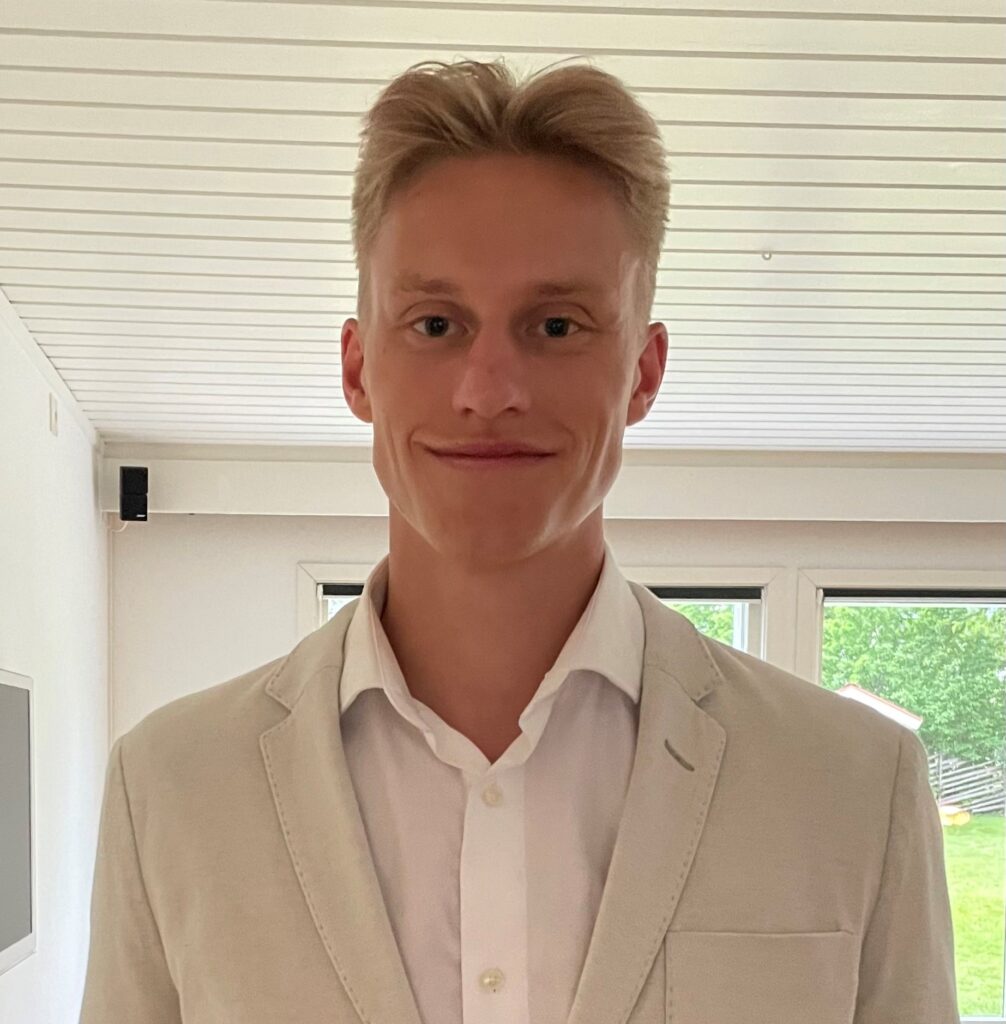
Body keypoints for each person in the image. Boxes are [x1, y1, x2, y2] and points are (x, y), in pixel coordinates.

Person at [79, 58, 959, 1024]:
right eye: (435, 323)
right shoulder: (170, 788)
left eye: (556, 324)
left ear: (643, 373)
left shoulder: (853, 784)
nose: (489, 389)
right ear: (359, 368)